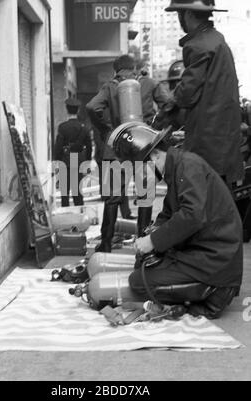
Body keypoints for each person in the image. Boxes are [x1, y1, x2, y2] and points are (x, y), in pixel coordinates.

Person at [109, 122, 243, 319]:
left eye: (140, 168)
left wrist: (153, 241)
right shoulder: (179, 167)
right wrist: (152, 233)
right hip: (206, 253)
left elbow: (192, 215)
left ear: (153, 157)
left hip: (215, 262)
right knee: (145, 264)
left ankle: (211, 294)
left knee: (138, 281)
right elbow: (169, 214)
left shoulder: (189, 166)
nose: (141, 175)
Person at [164, 0, 244, 185]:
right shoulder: (216, 40)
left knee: (202, 206)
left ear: (188, 14)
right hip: (224, 143)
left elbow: (186, 94)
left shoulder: (197, 45)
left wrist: (169, 100)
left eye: (179, 14)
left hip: (207, 145)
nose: (179, 19)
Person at [87, 55, 150, 252]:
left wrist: (105, 129)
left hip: (116, 148)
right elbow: (165, 103)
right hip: (139, 146)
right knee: (145, 195)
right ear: (133, 68)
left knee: (113, 198)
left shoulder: (111, 86)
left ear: (116, 70)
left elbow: (91, 106)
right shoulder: (143, 84)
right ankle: (143, 243)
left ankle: (106, 243)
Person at [54, 98, 92, 207]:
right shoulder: (84, 128)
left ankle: (66, 215)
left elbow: (58, 146)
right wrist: (87, 162)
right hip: (79, 160)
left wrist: (57, 161)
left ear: (67, 110)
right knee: (77, 192)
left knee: (64, 193)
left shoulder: (62, 127)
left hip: (65, 160)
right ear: (78, 110)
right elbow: (89, 147)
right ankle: (80, 214)